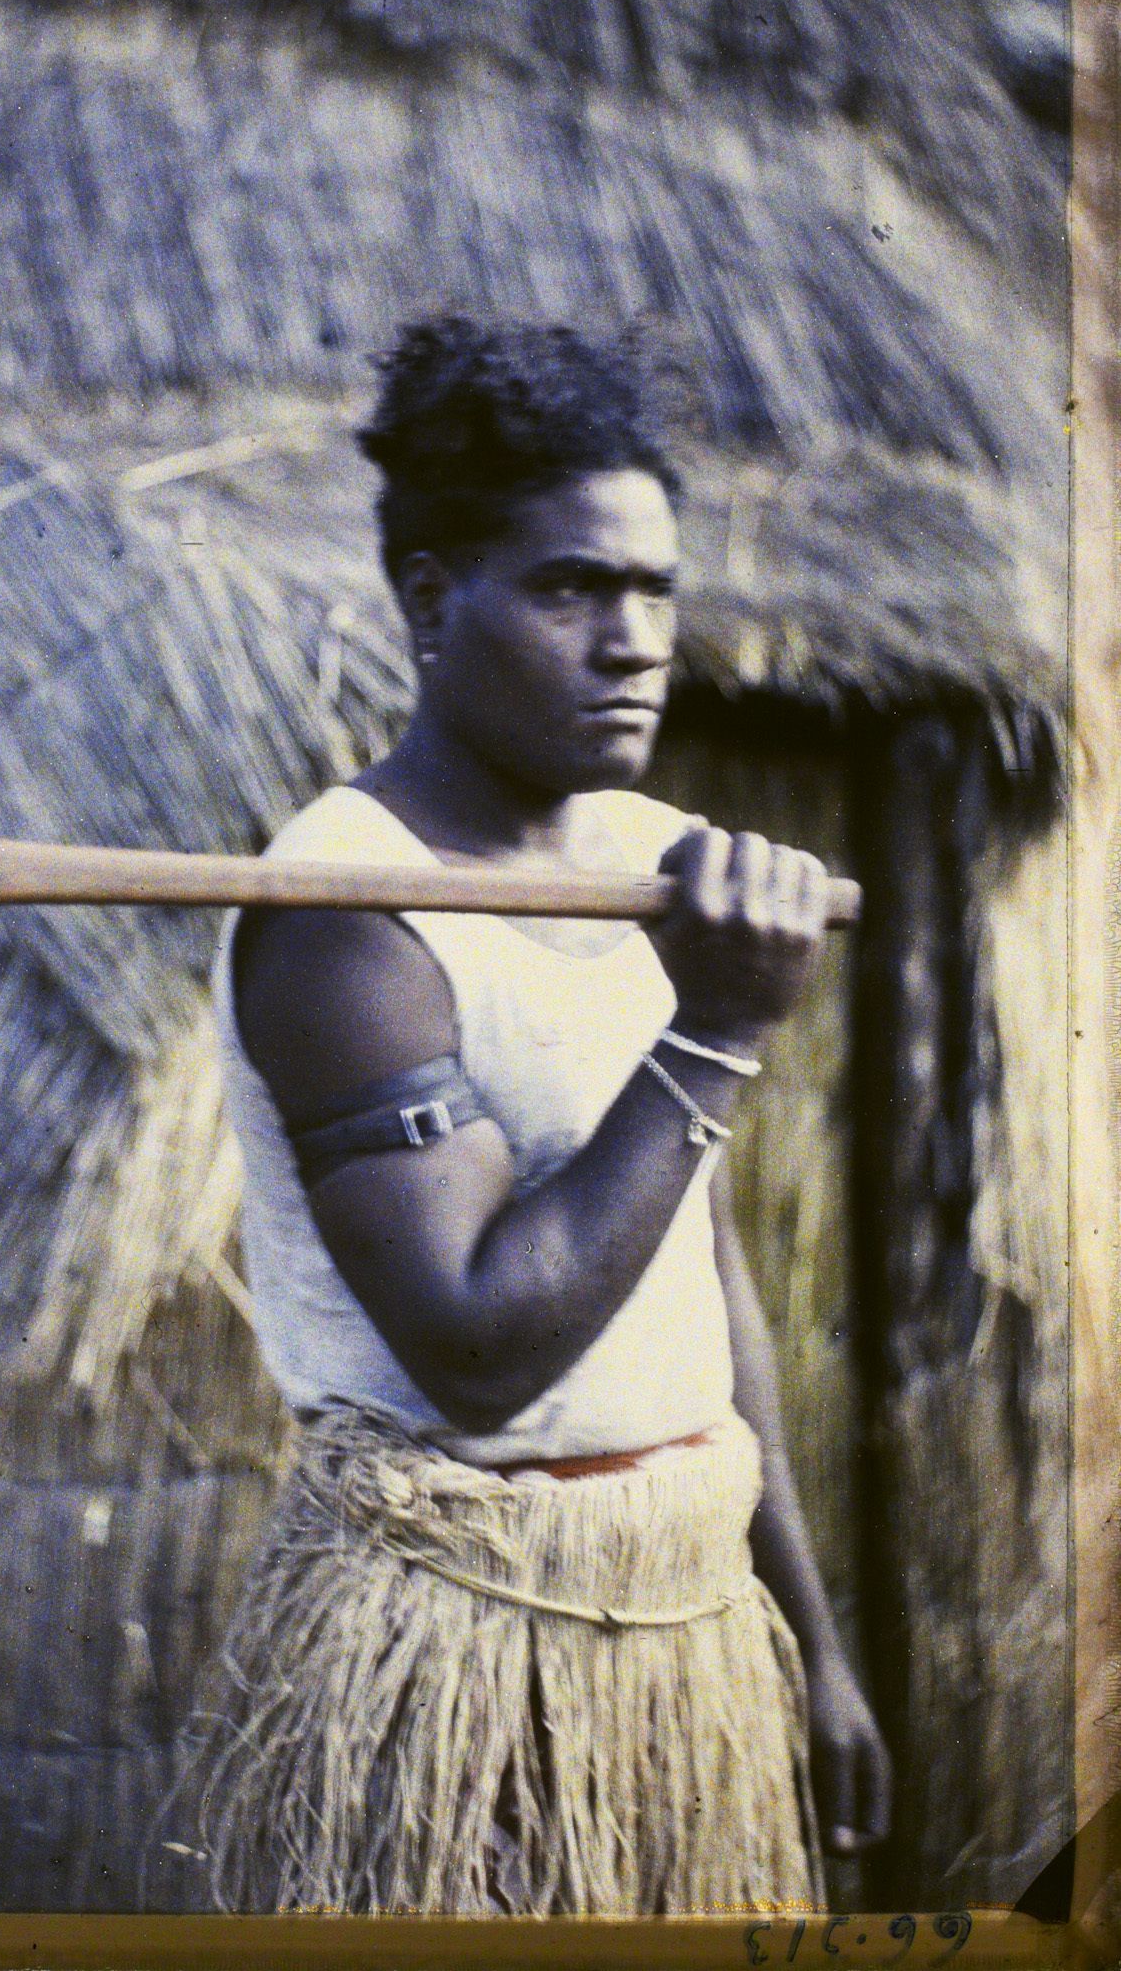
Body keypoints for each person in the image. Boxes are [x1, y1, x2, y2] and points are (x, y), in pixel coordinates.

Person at [168, 316, 890, 1916]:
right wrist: (714, 1030)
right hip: (462, 1644)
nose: (633, 641)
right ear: (434, 600)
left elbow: (696, 1281)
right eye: (570, 589)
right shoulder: (350, 914)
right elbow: (476, 1347)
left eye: (654, 591)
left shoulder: (648, 855)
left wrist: (814, 1644)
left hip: (683, 1616)